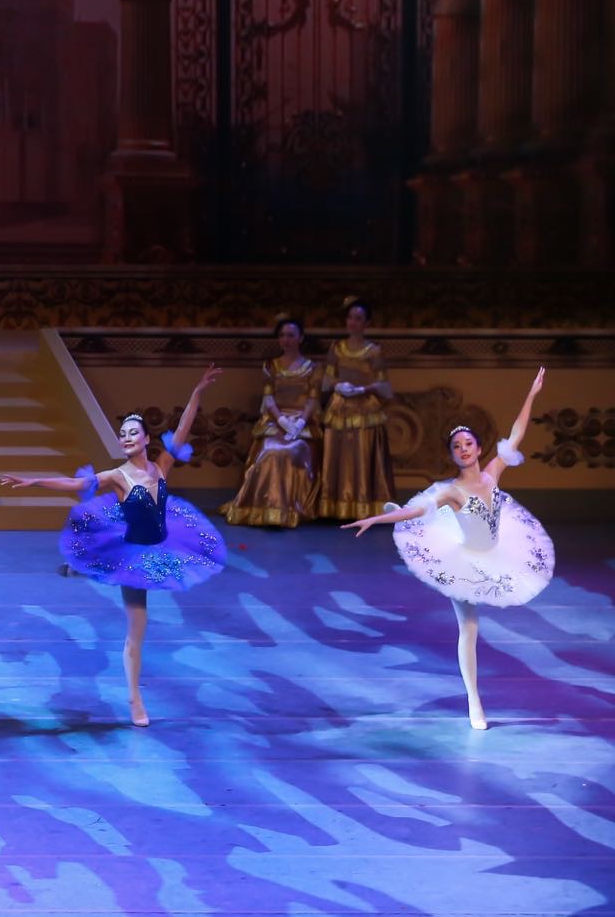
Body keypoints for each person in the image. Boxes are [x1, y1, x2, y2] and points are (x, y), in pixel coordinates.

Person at [2, 366, 227, 727]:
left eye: (132, 432)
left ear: (146, 437)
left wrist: (197, 392)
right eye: (122, 434)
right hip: (133, 556)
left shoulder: (162, 466)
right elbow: (75, 484)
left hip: (164, 545)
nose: (126, 438)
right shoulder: (117, 476)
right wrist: (34, 481)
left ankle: (82, 570)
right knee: (137, 629)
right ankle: (135, 699)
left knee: (141, 619)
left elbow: (184, 427)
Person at [343, 369, 553, 730]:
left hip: (497, 551)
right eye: (456, 447)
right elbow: (418, 510)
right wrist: (376, 519)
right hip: (462, 562)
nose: (463, 449)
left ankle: (474, 698)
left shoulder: (493, 472)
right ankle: (474, 700)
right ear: (453, 456)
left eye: (468, 443)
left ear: (479, 448)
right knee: (469, 627)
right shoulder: (452, 491)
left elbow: (517, 434)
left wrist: (532, 394)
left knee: (476, 620)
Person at [222, 315, 323, 528]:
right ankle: (263, 508)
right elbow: (268, 399)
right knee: (270, 452)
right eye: (282, 335)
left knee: (290, 451)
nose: (286, 339)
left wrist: (299, 424)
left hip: (302, 424)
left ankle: (289, 509)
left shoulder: (312, 368)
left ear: (301, 338)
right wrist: (282, 421)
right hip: (276, 422)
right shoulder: (271, 366)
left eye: (291, 335)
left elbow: (312, 400)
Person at [317, 297, 396, 521]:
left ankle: (364, 506)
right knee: (339, 456)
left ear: (367, 323)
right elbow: (328, 378)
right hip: (340, 407)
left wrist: (363, 388)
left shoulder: (374, 351)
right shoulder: (337, 348)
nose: (353, 322)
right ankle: (335, 507)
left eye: (358, 318)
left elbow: (382, 383)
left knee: (362, 455)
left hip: (365, 408)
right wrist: (338, 385)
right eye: (350, 318)